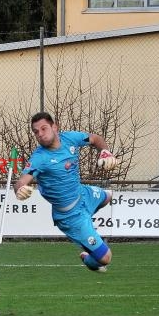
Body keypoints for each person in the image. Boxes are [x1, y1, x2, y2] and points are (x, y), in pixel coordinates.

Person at [14, 112, 119, 272]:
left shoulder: (70, 138)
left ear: (54, 127)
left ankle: (88, 225)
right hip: (69, 216)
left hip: (84, 194)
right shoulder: (39, 158)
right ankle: (87, 258)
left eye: (44, 128)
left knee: (109, 196)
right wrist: (20, 189)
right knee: (105, 259)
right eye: (36, 132)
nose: (40, 134)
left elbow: (95, 138)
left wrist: (105, 151)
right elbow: (22, 181)